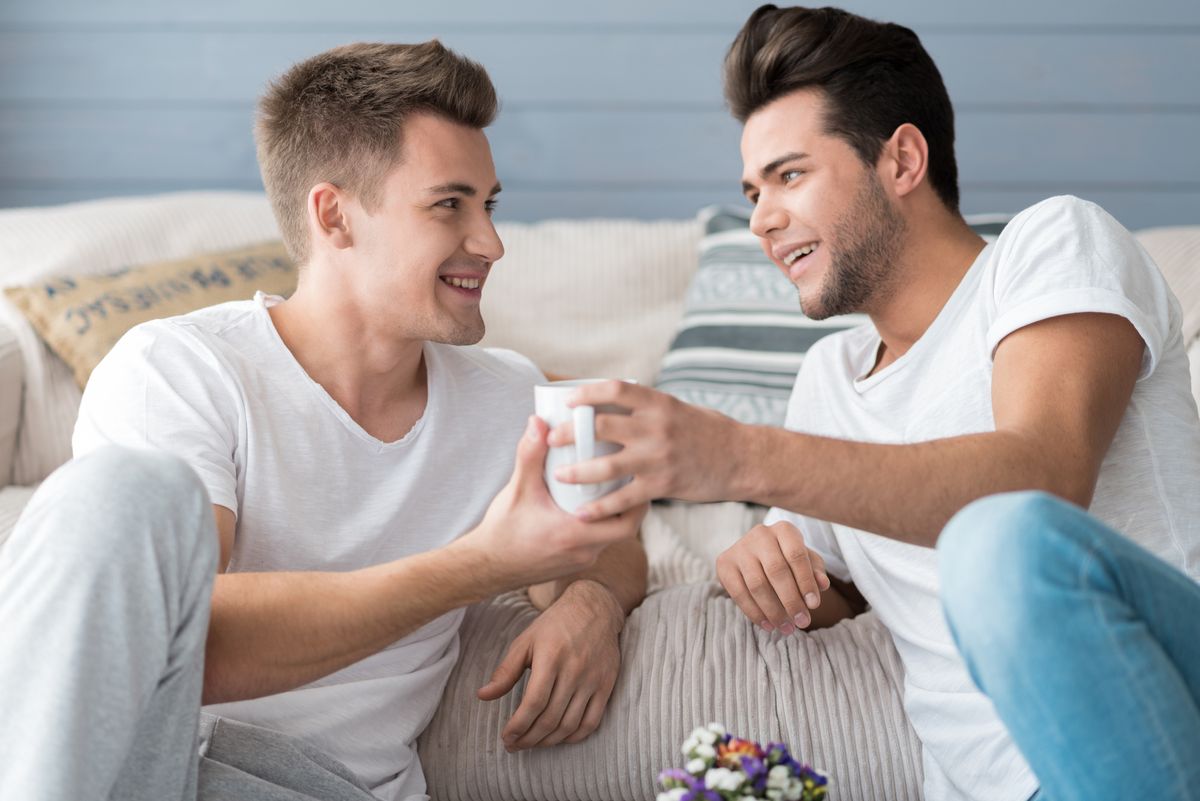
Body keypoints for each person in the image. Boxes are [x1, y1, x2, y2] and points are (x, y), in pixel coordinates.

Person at [545, 6, 1200, 800]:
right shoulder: (829, 378)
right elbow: (845, 585)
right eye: (752, 192)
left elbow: (1043, 477)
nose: (761, 219)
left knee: (1001, 539)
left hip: (1161, 701)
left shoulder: (1053, 245)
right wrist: (768, 569)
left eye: (790, 176)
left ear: (902, 160)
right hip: (993, 785)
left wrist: (742, 454)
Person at [0, 41, 647, 801]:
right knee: (115, 490)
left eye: (490, 204)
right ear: (334, 214)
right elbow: (188, 642)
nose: (492, 243)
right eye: (450, 204)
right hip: (158, 766)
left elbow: (609, 543)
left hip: (334, 787)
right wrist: (482, 562)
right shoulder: (179, 368)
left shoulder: (510, 398)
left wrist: (592, 603)